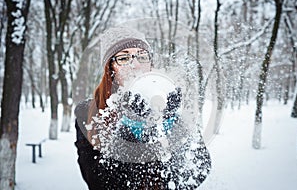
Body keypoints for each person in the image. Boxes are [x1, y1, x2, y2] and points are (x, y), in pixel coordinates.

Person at [74, 26, 211, 190]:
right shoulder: (88, 113)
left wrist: (171, 124)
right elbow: (99, 183)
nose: (135, 65)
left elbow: (198, 170)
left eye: (142, 56)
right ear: (110, 69)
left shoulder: (169, 103)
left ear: (150, 64)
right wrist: (132, 127)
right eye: (124, 58)